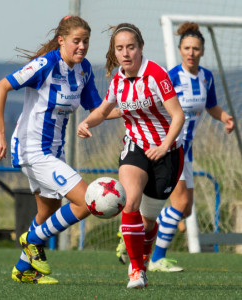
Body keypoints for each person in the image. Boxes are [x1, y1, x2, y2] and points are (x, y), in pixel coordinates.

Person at [0, 15, 113, 284]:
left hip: (55, 151)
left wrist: (134, 109)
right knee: (87, 201)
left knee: (48, 213)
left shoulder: (84, 70)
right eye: (76, 41)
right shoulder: (45, 64)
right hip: (33, 150)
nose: (81, 47)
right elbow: (0, 88)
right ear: (61, 41)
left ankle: (24, 270)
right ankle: (31, 240)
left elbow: (99, 110)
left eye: (86, 42)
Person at [77, 23, 185, 289]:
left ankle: (141, 258)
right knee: (130, 202)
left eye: (131, 47)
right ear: (115, 52)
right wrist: (86, 123)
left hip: (167, 153)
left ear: (141, 48)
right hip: (135, 147)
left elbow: (178, 115)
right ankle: (136, 271)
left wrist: (163, 146)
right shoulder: (117, 80)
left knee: (149, 222)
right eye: (120, 48)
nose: (126, 53)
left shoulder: (156, 75)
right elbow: (104, 111)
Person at [147, 22, 235, 272]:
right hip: (170, 147)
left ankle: (137, 230)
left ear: (202, 51)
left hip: (188, 150)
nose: (191, 52)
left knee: (184, 210)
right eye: (186, 48)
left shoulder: (206, 77)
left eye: (196, 48)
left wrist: (224, 117)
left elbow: (211, 106)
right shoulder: (172, 76)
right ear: (179, 49)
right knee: (179, 204)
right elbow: (155, 106)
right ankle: (156, 259)